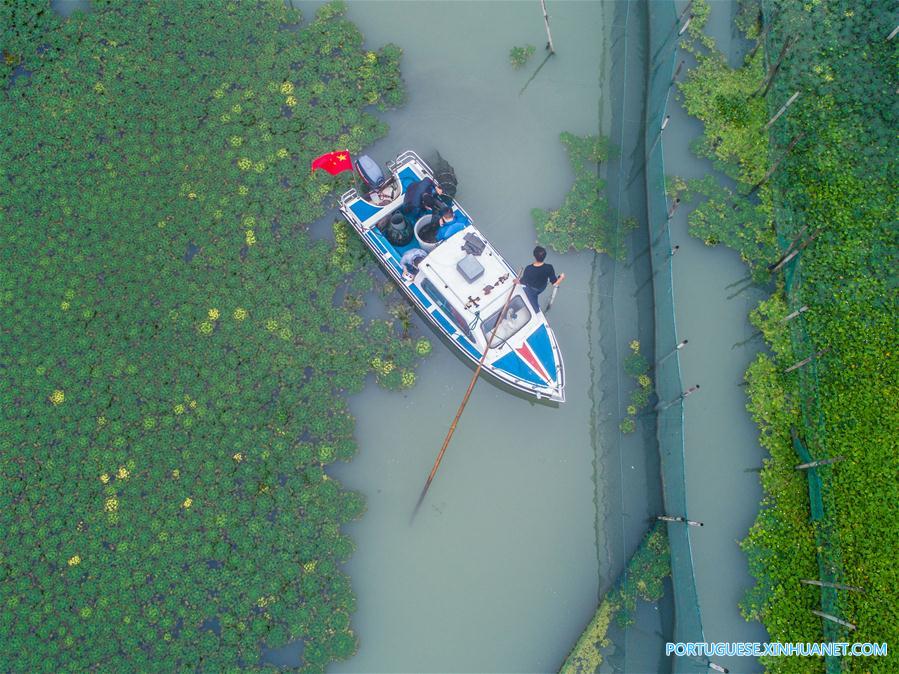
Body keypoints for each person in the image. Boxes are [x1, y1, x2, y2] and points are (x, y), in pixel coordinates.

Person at [519, 246, 565, 312]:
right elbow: (555, 283)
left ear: (534, 255)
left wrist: (516, 281)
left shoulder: (528, 268)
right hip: (542, 287)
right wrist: (562, 278)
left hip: (532, 290)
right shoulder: (549, 267)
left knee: (534, 307)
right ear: (545, 256)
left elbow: (523, 281)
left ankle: (536, 311)